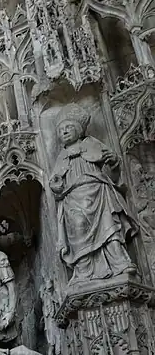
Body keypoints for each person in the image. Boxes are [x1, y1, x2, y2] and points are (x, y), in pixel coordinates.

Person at [50, 103, 138, 284]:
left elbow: (113, 172)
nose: (64, 131)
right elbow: (56, 183)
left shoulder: (92, 144)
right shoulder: (62, 156)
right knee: (78, 230)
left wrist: (112, 162)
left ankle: (119, 262)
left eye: (69, 127)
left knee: (110, 226)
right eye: (61, 130)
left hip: (98, 191)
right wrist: (56, 185)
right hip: (73, 198)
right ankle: (84, 269)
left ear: (79, 130)